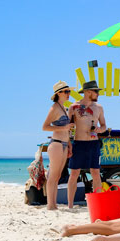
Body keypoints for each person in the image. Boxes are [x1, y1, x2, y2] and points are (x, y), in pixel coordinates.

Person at [66, 80, 107, 208]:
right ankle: (70, 205)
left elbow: (104, 125)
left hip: (94, 143)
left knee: (95, 173)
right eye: (96, 91)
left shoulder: (99, 108)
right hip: (78, 143)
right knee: (74, 174)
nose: (98, 94)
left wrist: (100, 129)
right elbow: (68, 127)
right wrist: (68, 144)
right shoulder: (74, 107)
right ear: (88, 92)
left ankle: (98, 203)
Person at [41, 81, 75, 210]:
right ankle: (50, 205)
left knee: (58, 176)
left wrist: (70, 145)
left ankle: (53, 204)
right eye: (66, 92)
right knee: (53, 176)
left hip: (64, 144)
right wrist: (64, 127)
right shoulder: (54, 108)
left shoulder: (63, 108)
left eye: (69, 91)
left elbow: (65, 130)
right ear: (58, 93)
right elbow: (44, 127)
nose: (68, 94)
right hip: (56, 144)